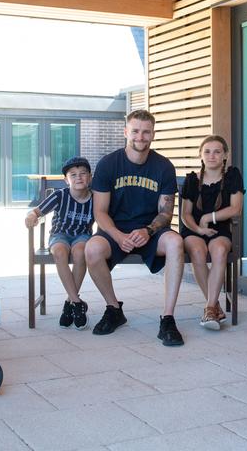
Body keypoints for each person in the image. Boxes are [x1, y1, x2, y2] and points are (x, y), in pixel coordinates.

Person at [85, 109, 185, 346]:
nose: (140, 137)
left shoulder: (163, 167)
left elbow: (166, 212)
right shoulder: (109, 164)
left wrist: (148, 231)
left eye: (146, 132)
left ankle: (168, 318)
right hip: (116, 229)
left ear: (153, 134)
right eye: (136, 131)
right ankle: (113, 309)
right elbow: (100, 211)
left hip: (151, 230)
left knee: (176, 242)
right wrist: (119, 236)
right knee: (92, 249)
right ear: (126, 132)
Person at [180, 135, 244, 330]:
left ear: (225, 155)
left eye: (217, 151)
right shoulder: (192, 179)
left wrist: (209, 218)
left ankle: (209, 307)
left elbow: (236, 209)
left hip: (221, 228)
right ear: (201, 155)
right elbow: (185, 214)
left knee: (219, 251)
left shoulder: (232, 175)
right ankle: (214, 307)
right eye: (207, 151)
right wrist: (199, 228)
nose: (212, 155)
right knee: (198, 251)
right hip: (193, 229)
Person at [25, 156, 93, 330]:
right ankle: (77, 303)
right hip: (60, 235)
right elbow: (36, 212)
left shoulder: (95, 198)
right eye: (73, 175)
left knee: (80, 253)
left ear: (90, 177)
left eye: (83, 173)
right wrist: (31, 217)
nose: (78, 177)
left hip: (82, 236)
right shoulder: (60, 195)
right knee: (59, 252)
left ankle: (69, 303)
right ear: (66, 180)